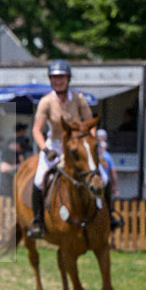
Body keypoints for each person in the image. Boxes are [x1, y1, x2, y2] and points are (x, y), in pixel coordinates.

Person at [27, 60, 93, 239]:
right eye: (55, 78)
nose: (58, 81)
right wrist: (45, 149)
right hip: (54, 146)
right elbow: (36, 129)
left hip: (76, 145)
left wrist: (91, 141)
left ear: (68, 78)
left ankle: (108, 216)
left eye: (61, 77)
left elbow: (89, 124)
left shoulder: (79, 99)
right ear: (50, 80)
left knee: (101, 174)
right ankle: (38, 222)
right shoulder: (46, 101)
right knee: (39, 180)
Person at [97, 129, 123, 230]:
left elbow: (113, 172)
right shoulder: (105, 156)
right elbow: (113, 172)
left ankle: (109, 216)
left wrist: (114, 187)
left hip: (102, 184)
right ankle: (110, 216)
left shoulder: (106, 156)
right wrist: (114, 187)